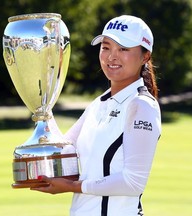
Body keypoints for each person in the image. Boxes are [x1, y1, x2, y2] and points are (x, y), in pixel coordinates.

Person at [31, 15, 162, 216]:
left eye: (123, 49)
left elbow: (133, 182)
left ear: (145, 56)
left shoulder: (141, 105)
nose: (112, 56)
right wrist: (44, 107)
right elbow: (65, 150)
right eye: (106, 47)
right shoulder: (98, 104)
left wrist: (73, 186)